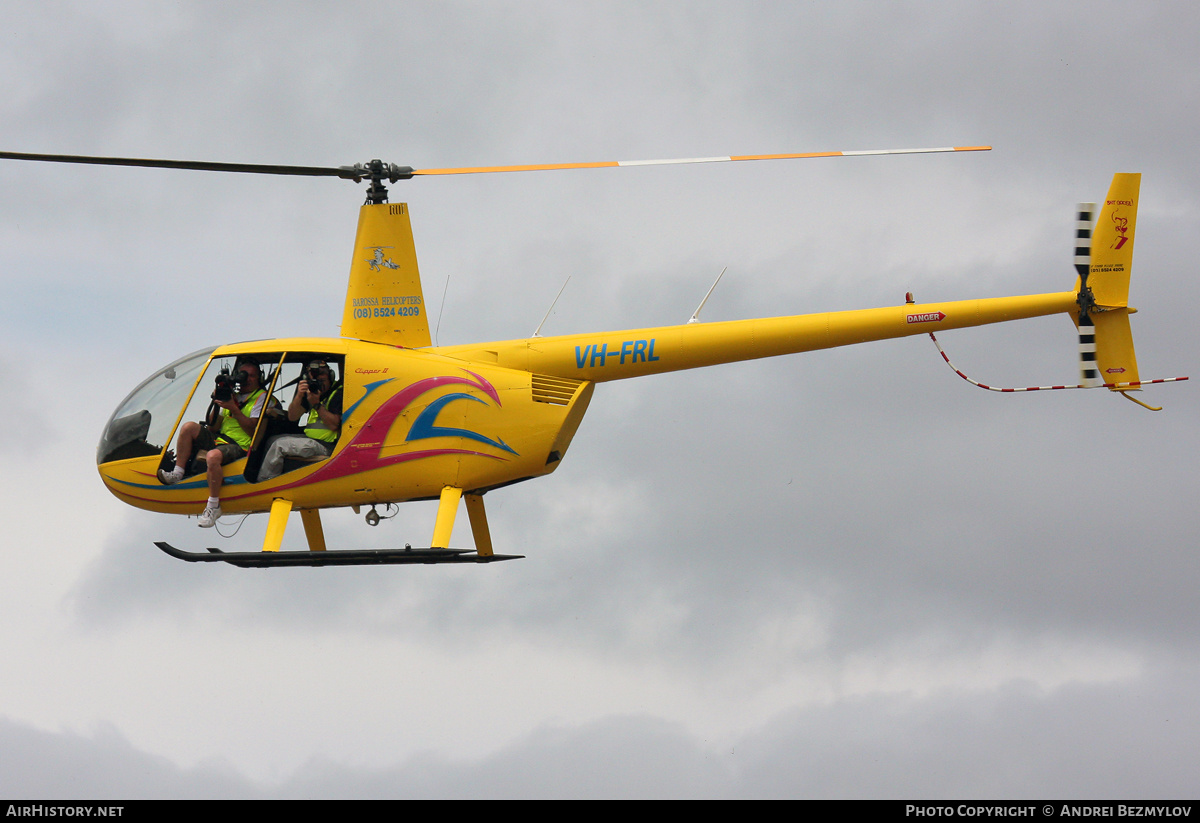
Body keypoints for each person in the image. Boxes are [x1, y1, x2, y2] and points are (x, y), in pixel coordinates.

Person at [158, 357, 271, 527]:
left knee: (212, 457)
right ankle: (178, 473)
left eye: (252, 376)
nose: (247, 379)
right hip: (220, 440)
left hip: (241, 445)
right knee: (188, 427)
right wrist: (217, 402)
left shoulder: (261, 397)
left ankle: (213, 505)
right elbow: (213, 427)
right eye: (243, 375)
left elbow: (252, 430)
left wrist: (234, 409)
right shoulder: (234, 396)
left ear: (259, 378)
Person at [256, 360, 342, 482]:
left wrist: (316, 405)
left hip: (327, 445)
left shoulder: (337, 393)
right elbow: (292, 417)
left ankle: (264, 483)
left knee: (279, 446)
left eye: (322, 375)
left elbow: (334, 425)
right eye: (313, 376)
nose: (318, 380)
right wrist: (299, 396)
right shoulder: (312, 392)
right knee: (271, 440)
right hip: (311, 440)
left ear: (331, 376)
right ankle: (278, 479)